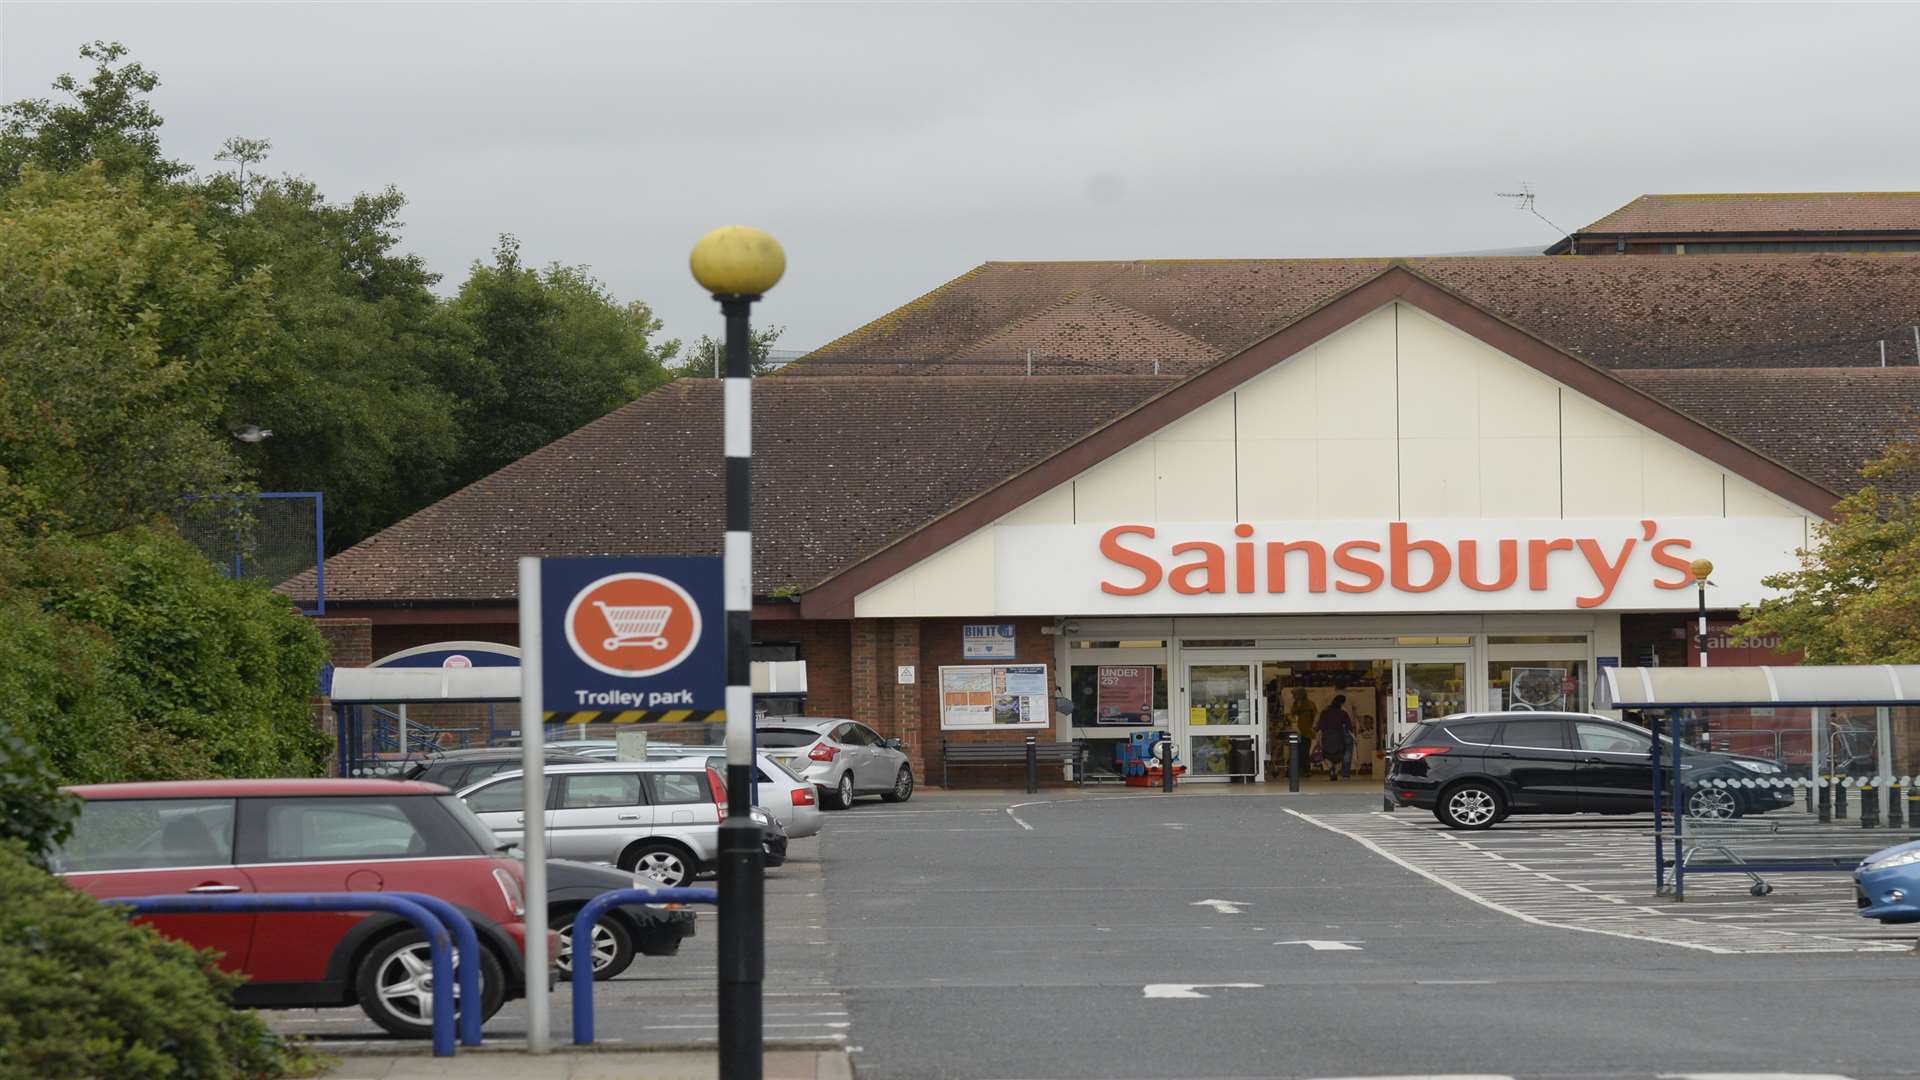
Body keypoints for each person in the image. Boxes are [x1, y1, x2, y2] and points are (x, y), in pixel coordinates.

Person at [1315, 694, 1356, 781]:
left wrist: (1318, 739)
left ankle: (1331, 769)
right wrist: (1354, 737)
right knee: (1342, 755)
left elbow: (1319, 727)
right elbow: (1349, 727)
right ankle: (1339, 773)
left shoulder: (1324, 713)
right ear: (1341, 704)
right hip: (1339, 737)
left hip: (1326, 737)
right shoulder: (1343, 713)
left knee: (1326, 754)